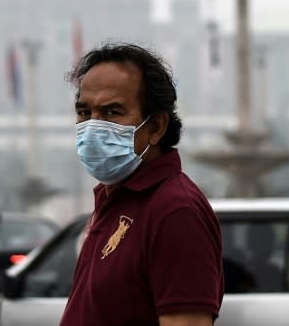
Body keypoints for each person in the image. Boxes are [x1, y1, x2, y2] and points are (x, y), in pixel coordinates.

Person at [59, 43, 224, 326]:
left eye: (112, 113)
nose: (93, 126)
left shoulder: (174, 210)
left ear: (157, 126)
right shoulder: (114, 199)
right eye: (84, 112)